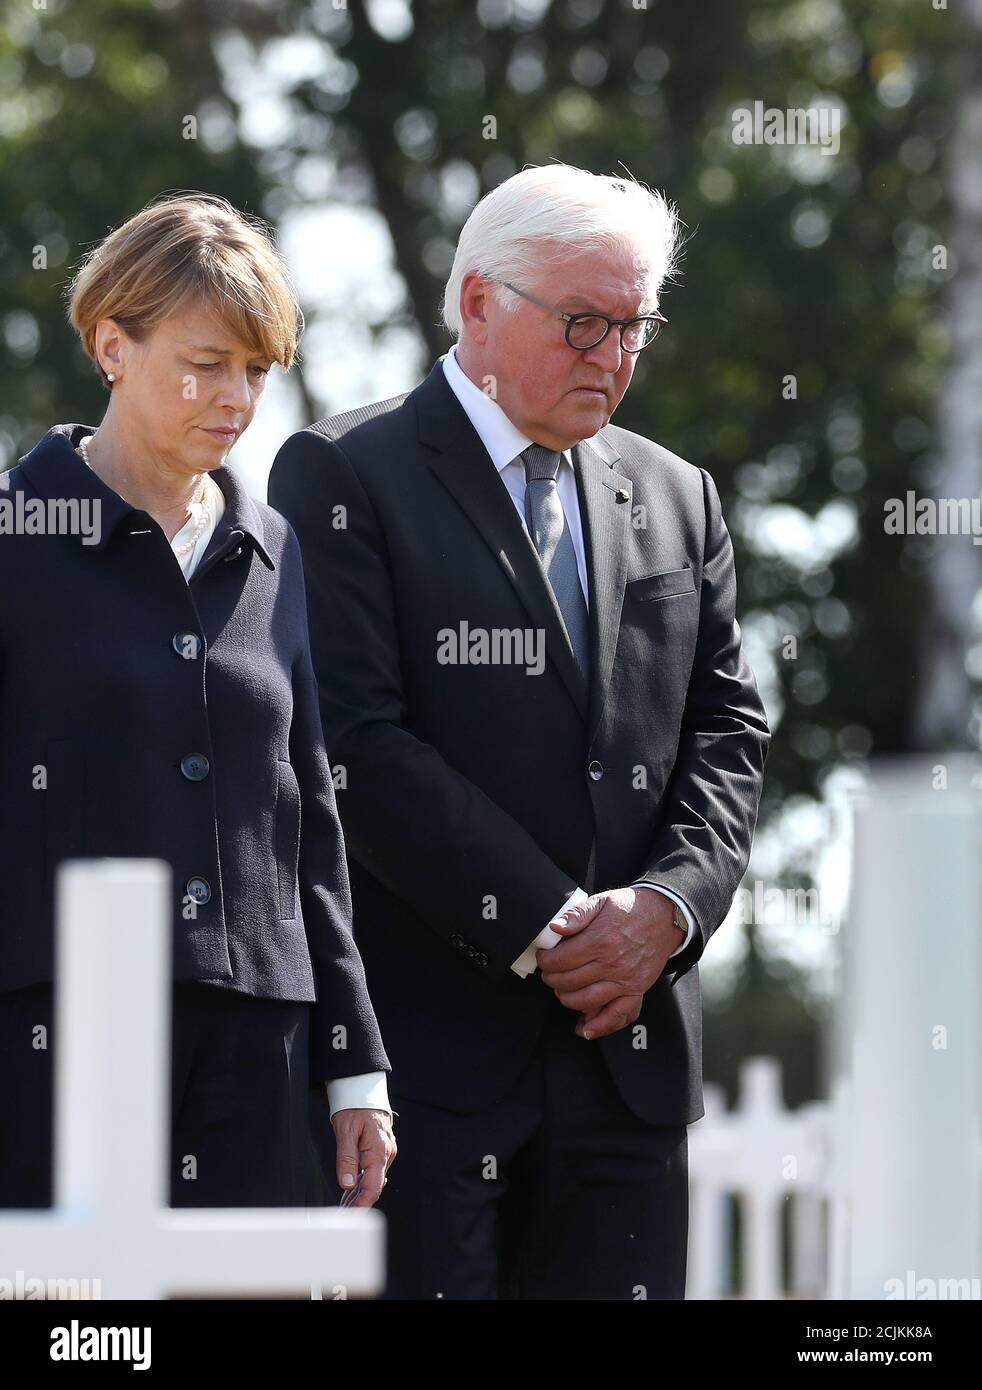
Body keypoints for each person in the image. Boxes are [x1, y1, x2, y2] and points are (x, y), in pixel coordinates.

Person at [268, 163, 770, 1299]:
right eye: (584, 320)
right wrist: (555, 927)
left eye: (634, 325)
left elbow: (725, 728)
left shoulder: (678, 492)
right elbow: (355, 742)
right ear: (479, 303)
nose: (614, 354)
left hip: (628, 1063)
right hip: (429, 1071)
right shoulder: (344, 472)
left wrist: (665, 911)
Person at [0, 193, 396, 1213]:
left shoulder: (274, 550)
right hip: (50, 1041)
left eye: (256, 370)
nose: (236, 396)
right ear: (110, 344)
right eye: (206, 361)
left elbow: (308, 818)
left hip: (259, 1051)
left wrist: (353, 1060)